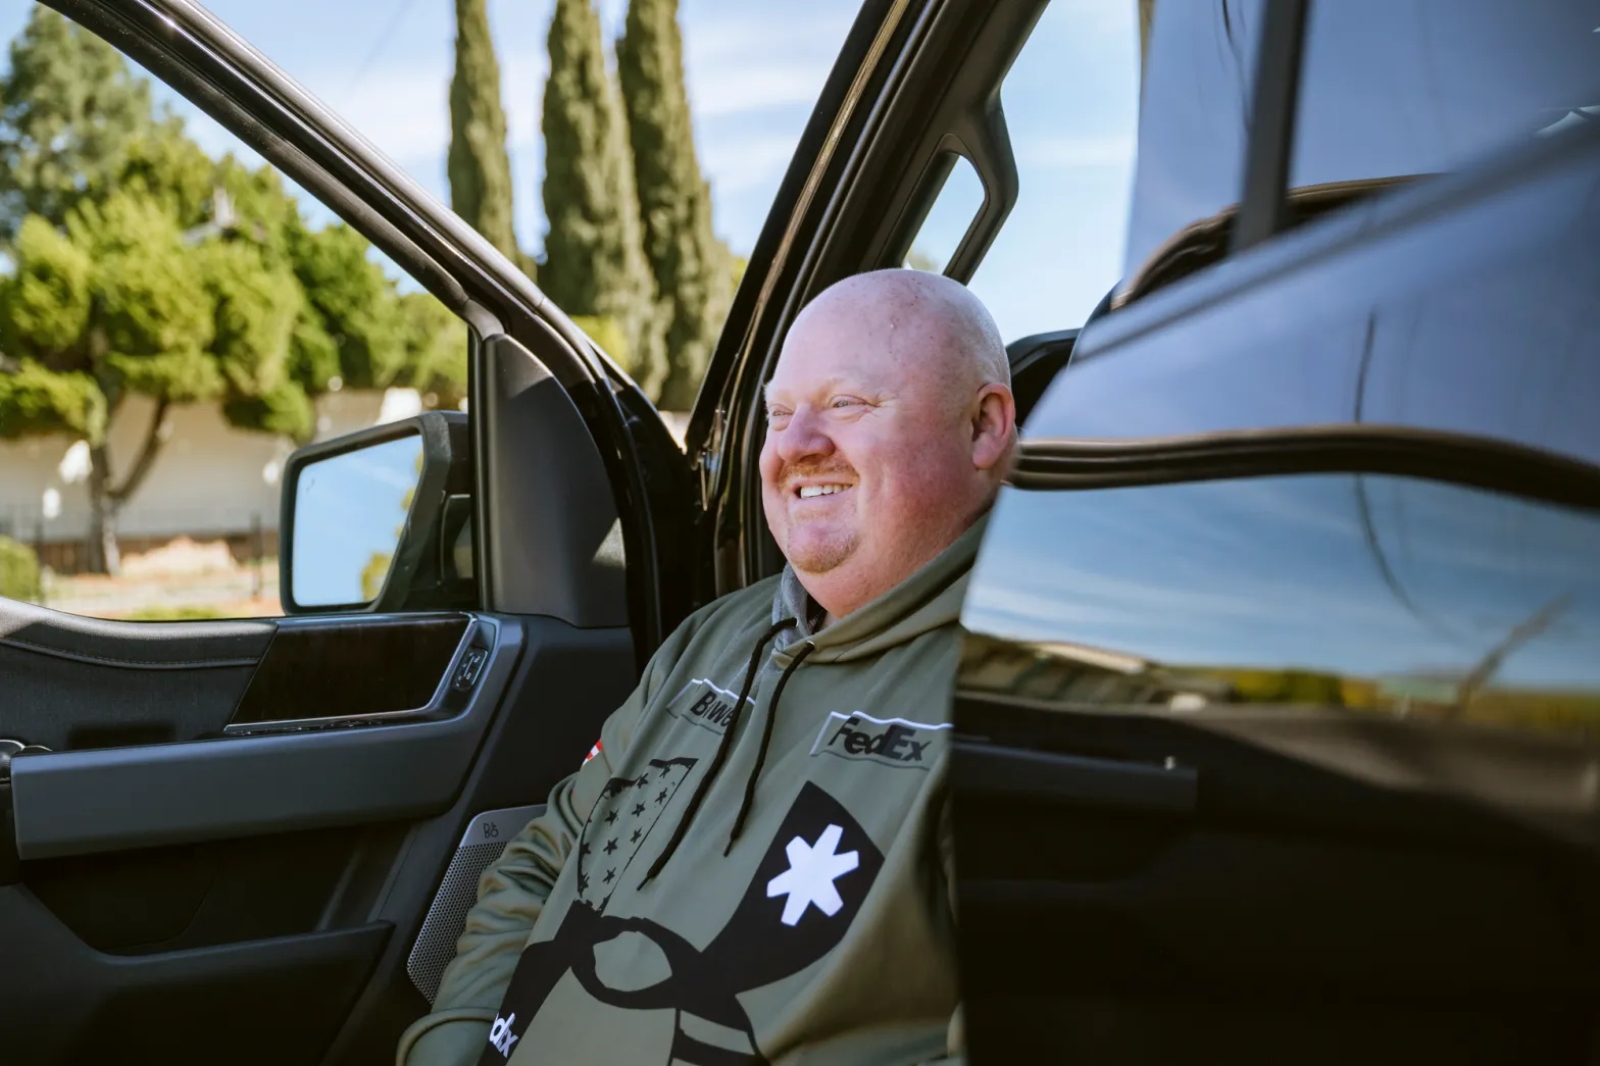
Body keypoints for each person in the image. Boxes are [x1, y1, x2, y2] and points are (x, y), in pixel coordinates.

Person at [398, 268, 1017, 1066]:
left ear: (982, 427)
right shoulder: (711, 640)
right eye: (779, 414)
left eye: (848, 404)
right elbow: (545, 860)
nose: (794, 447)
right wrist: (450, 1048)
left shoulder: (1033, 699)